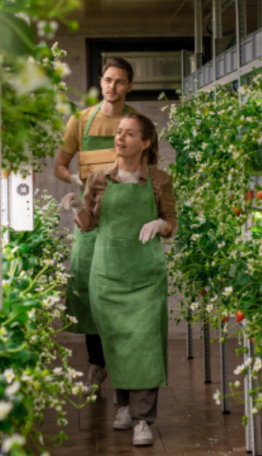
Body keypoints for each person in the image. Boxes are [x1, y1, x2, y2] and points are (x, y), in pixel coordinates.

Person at [60, 113, 176, 447]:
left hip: (145, 275)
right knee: (117, 342)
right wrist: (73, 209)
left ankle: (143, 419)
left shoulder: (160, 180)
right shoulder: (98, 177)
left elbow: (171, 222)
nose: (120, 138)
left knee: (145, 344)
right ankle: (123, 406)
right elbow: (89, 224)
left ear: (146, 142)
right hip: (107, 274)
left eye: (129, 134)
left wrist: (160, 225)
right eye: (119, 132)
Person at [54, 57, 141, 395]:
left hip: (124, 217)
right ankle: (96, 365)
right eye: (107, 79)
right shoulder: (80, 121)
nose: (112, 86)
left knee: (121, 290)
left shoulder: (138, 123)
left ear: (129, 86)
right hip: (89, 217)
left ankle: (123, 368)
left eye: (119, 81)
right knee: (88, 288)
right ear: (101, 81)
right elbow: (60, 166)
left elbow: (148, 169)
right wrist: (75, 177)